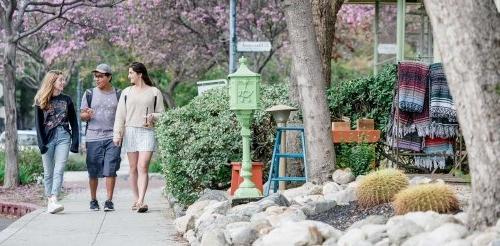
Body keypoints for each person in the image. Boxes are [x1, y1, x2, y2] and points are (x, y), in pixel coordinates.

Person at [113, 62, 165, 213]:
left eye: (131, 73)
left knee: (143, 166)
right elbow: (120, 115)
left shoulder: (155, 92)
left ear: (140, 74)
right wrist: (117, 134)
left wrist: (153, 116)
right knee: (133, 167)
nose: (129, 76)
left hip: (147, 132)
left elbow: (162, 114)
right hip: (130, 132)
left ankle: (142, 200)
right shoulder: (126, 92)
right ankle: (136, 199)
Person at [34, 70, 79, 214]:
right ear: (52, 82)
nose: (63, 82)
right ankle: (50, 201)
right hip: (48, 139)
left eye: (63, 80)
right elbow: (38, 124)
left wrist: (75, 142)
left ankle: (54, 199)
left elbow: (74, 122)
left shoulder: (67, 100)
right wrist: (41, 144)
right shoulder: (40, 99)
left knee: (59, 170)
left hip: (64, 137)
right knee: (48, 173)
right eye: (60, 80)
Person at [80, 64, 122, 211]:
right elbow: (82, 116)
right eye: (95, 76)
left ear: (109, 77)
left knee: (110, 169)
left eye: (101, 76)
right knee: (93, 171)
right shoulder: (89, 93)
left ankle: (109, 201)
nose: (97, 79)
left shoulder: (119, 94)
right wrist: (87, 115)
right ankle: (93, 200)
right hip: (93, 137)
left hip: (113, 137)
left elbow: (123, 115)